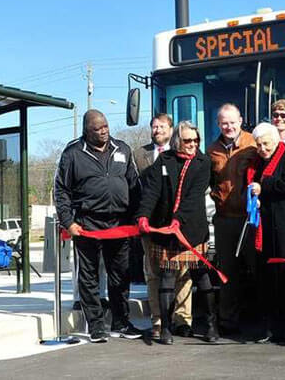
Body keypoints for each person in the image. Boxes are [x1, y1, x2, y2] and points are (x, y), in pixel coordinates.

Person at [53, 109, 143, 342]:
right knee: (89, 276)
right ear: (86, 130)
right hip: (87, 224)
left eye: (105, 126)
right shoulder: (72, 153)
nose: (104, 131)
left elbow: (134, 185)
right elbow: (61, 190)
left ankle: (121, 322)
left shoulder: (122, 148)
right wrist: (68, 221)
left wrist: (138, 216)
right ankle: (95, 325)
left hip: (120, 224)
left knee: (120, 275)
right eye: (97, 128)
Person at [136, 121, 218, 344]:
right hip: (165, 232)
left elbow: (193, 197)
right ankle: (165, 328)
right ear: (177, 141)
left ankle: (211, 325)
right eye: (188, 140)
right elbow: (152, 191)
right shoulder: (165, 159)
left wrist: (177, 220)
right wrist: (143, 215)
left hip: (192, 230)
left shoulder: (203, 163)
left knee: (201, 277)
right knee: (167, 278)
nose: (193, 144)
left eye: (196, 140)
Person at [248, 122, 285, 344]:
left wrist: (263, 186)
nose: (262, 148)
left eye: (266, 144)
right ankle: (275, 327)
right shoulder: (258, 164)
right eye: (259, 144)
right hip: (267, 228)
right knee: (271, 280)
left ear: (276, 141)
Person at [134, 114, 194, 338]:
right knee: (153, 273)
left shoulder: (182, 152)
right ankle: (158, 320)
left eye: (161, 126)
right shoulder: (139, 155)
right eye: (153, 126)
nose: (157, 130)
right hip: (151, 226)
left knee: (183, 273)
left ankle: (182, 320)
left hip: (179, 225)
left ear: (171, 129)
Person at [208, 103, 259, 334]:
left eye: (232, 122)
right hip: (225, 219)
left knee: (257, 268)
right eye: (224, 123)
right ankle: (228, 321)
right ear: (218, 124)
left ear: (240, 121)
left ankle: (262, 320)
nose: (228, 127)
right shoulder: (212, 150)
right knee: (227, 272)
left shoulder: (254, 143)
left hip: (252, 218)